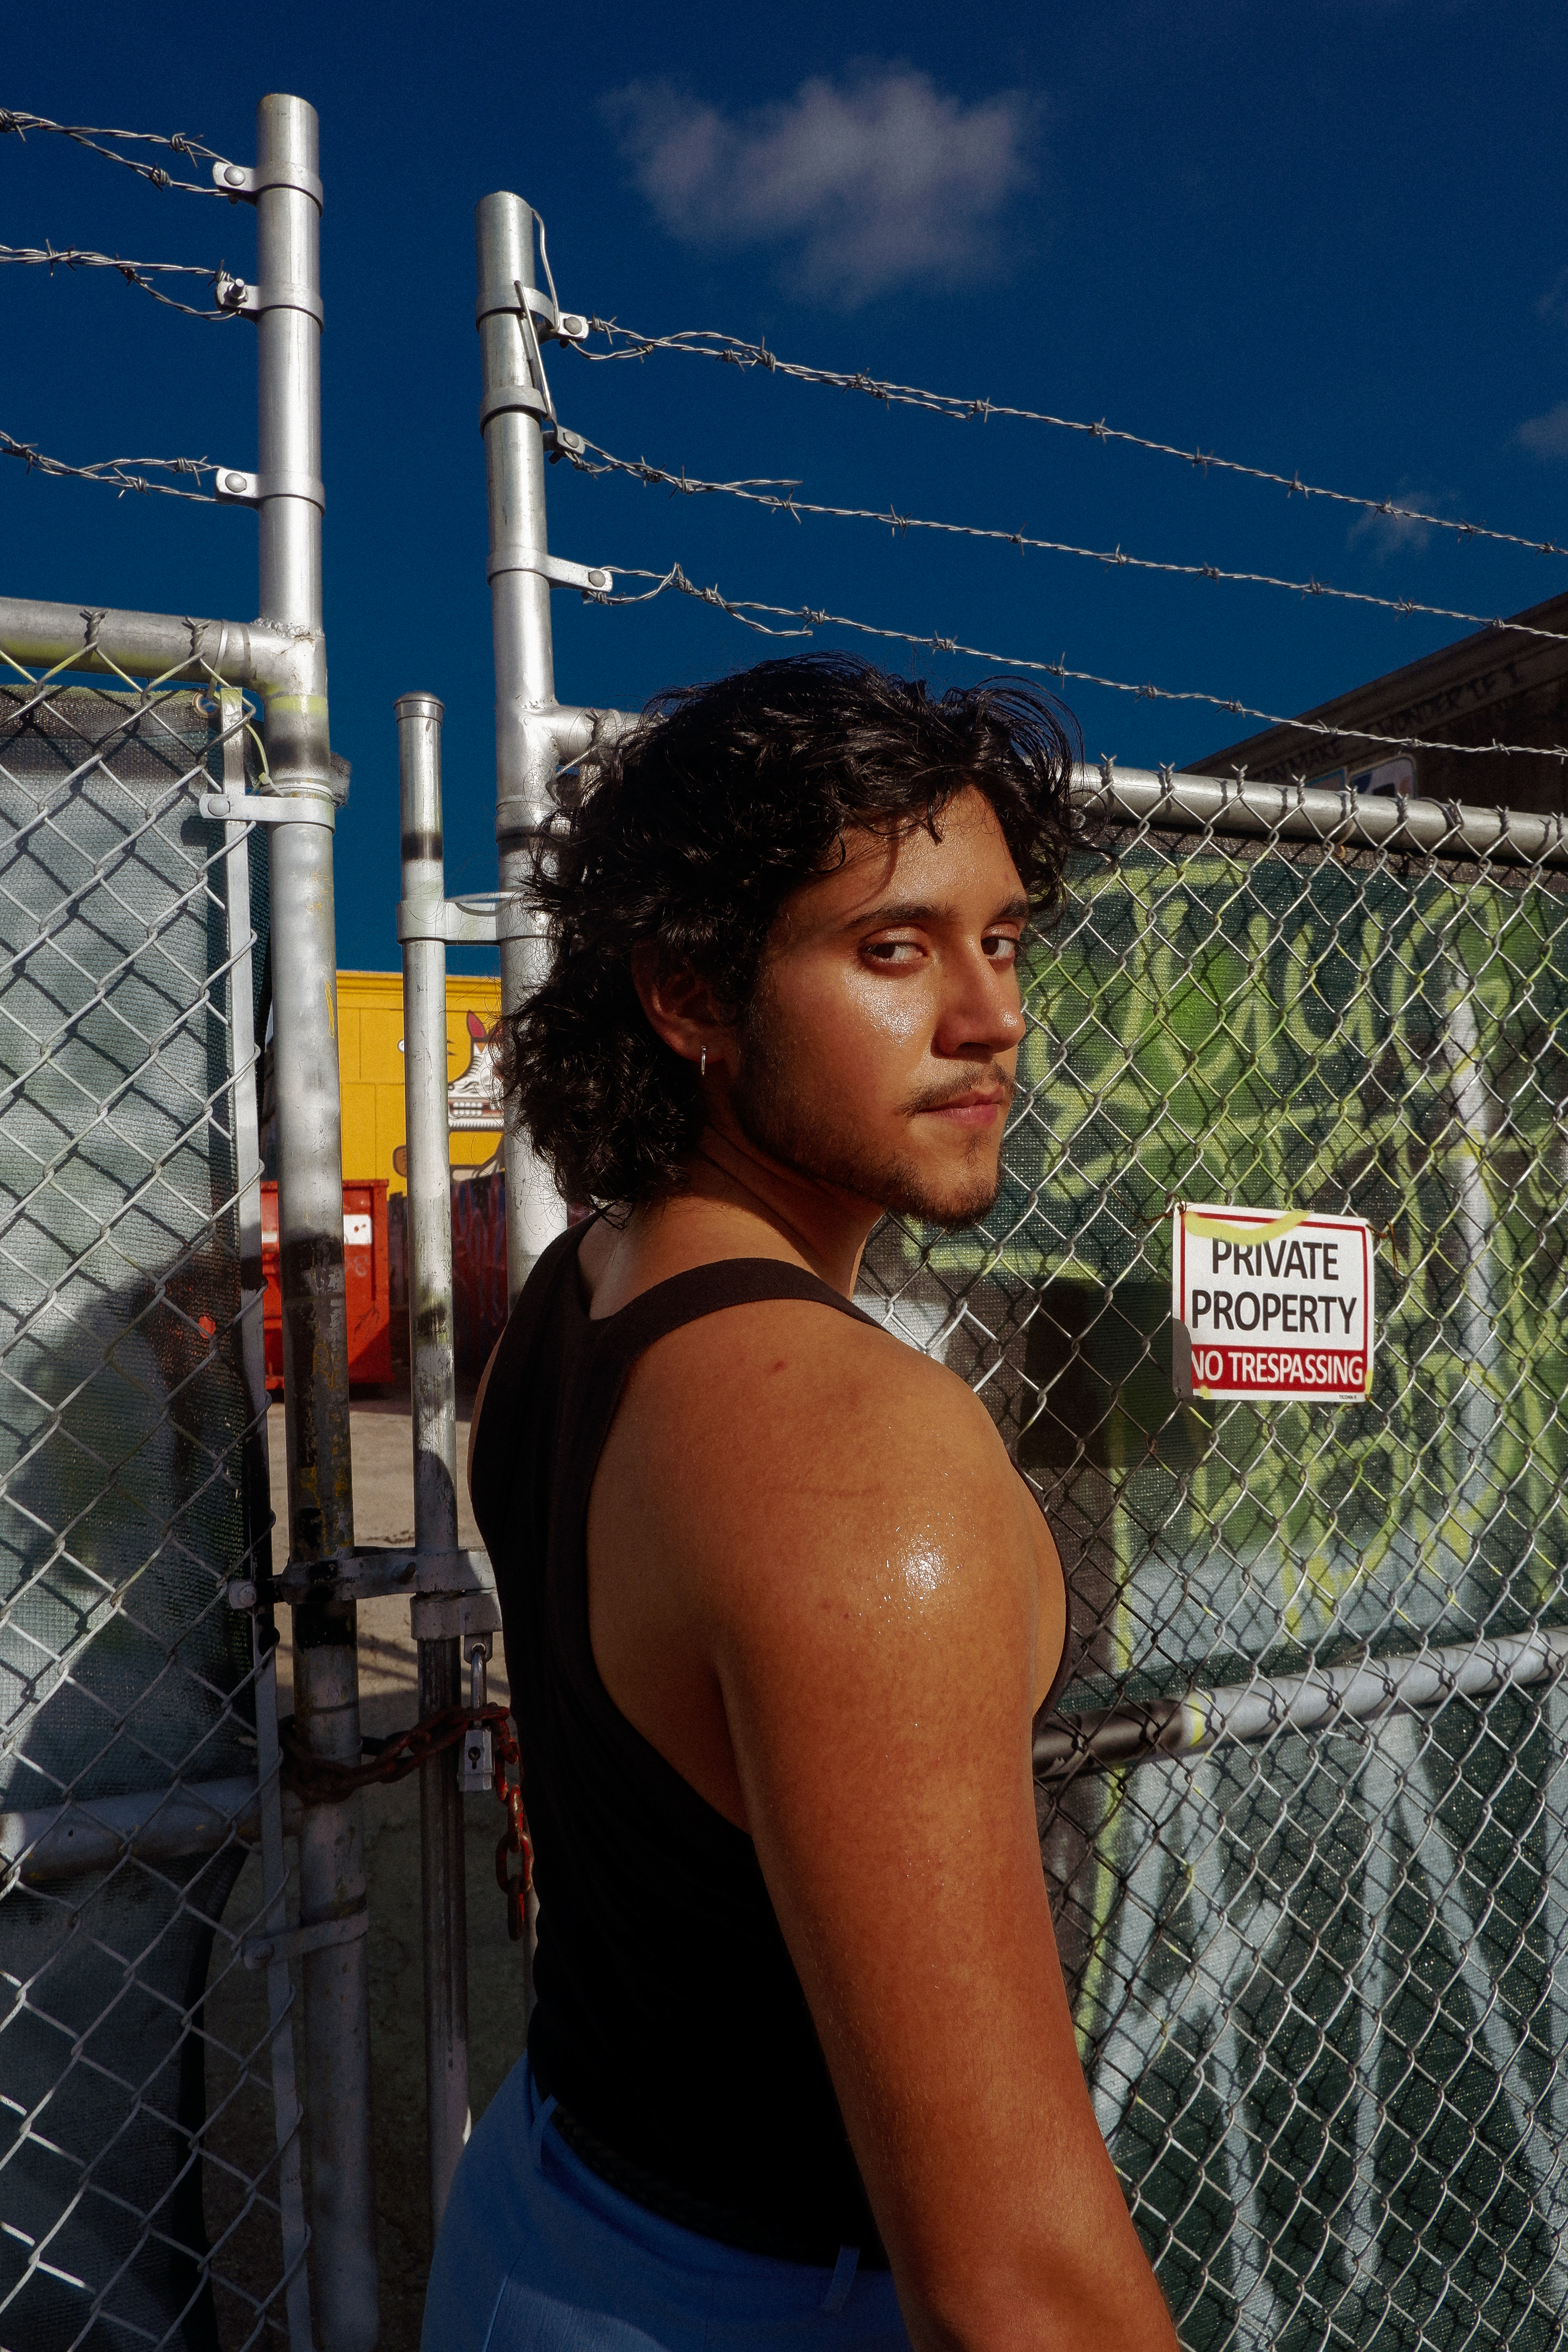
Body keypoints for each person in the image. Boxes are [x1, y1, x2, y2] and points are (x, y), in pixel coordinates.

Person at [424, 656, 1177, 2351]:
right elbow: (1017, 2287)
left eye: (1003, 938)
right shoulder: (861, 1457)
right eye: (894, 948)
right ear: (690, 994)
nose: (993, 1016)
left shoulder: (580, 1289)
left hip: (547, 2205)